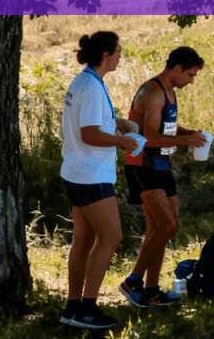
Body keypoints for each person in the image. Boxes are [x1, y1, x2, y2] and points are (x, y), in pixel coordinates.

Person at [60, 32, 140, 330]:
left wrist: (117, 123)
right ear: (106, 54)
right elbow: (89, 133)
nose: (121, 56)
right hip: (91, 175)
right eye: (118, 51)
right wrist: (122, 141)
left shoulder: (85, 81)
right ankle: (87, 308)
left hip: (76, 171)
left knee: (84, 240)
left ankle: (72, 307)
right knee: (111, 237)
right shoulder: (92, 88)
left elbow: (89, 122)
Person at [120, 47, 208, 309]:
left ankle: (151, 291)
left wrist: (187, 133)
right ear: (177, 68)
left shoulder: (170, 90)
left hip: (161, 165)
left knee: (159, 230)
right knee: (168, 226)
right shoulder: (153, 92)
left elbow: (164, 128)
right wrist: (185, 141)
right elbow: (149, 138)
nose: (192, 82)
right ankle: (133, 281)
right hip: (143, 165)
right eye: (190, 75)